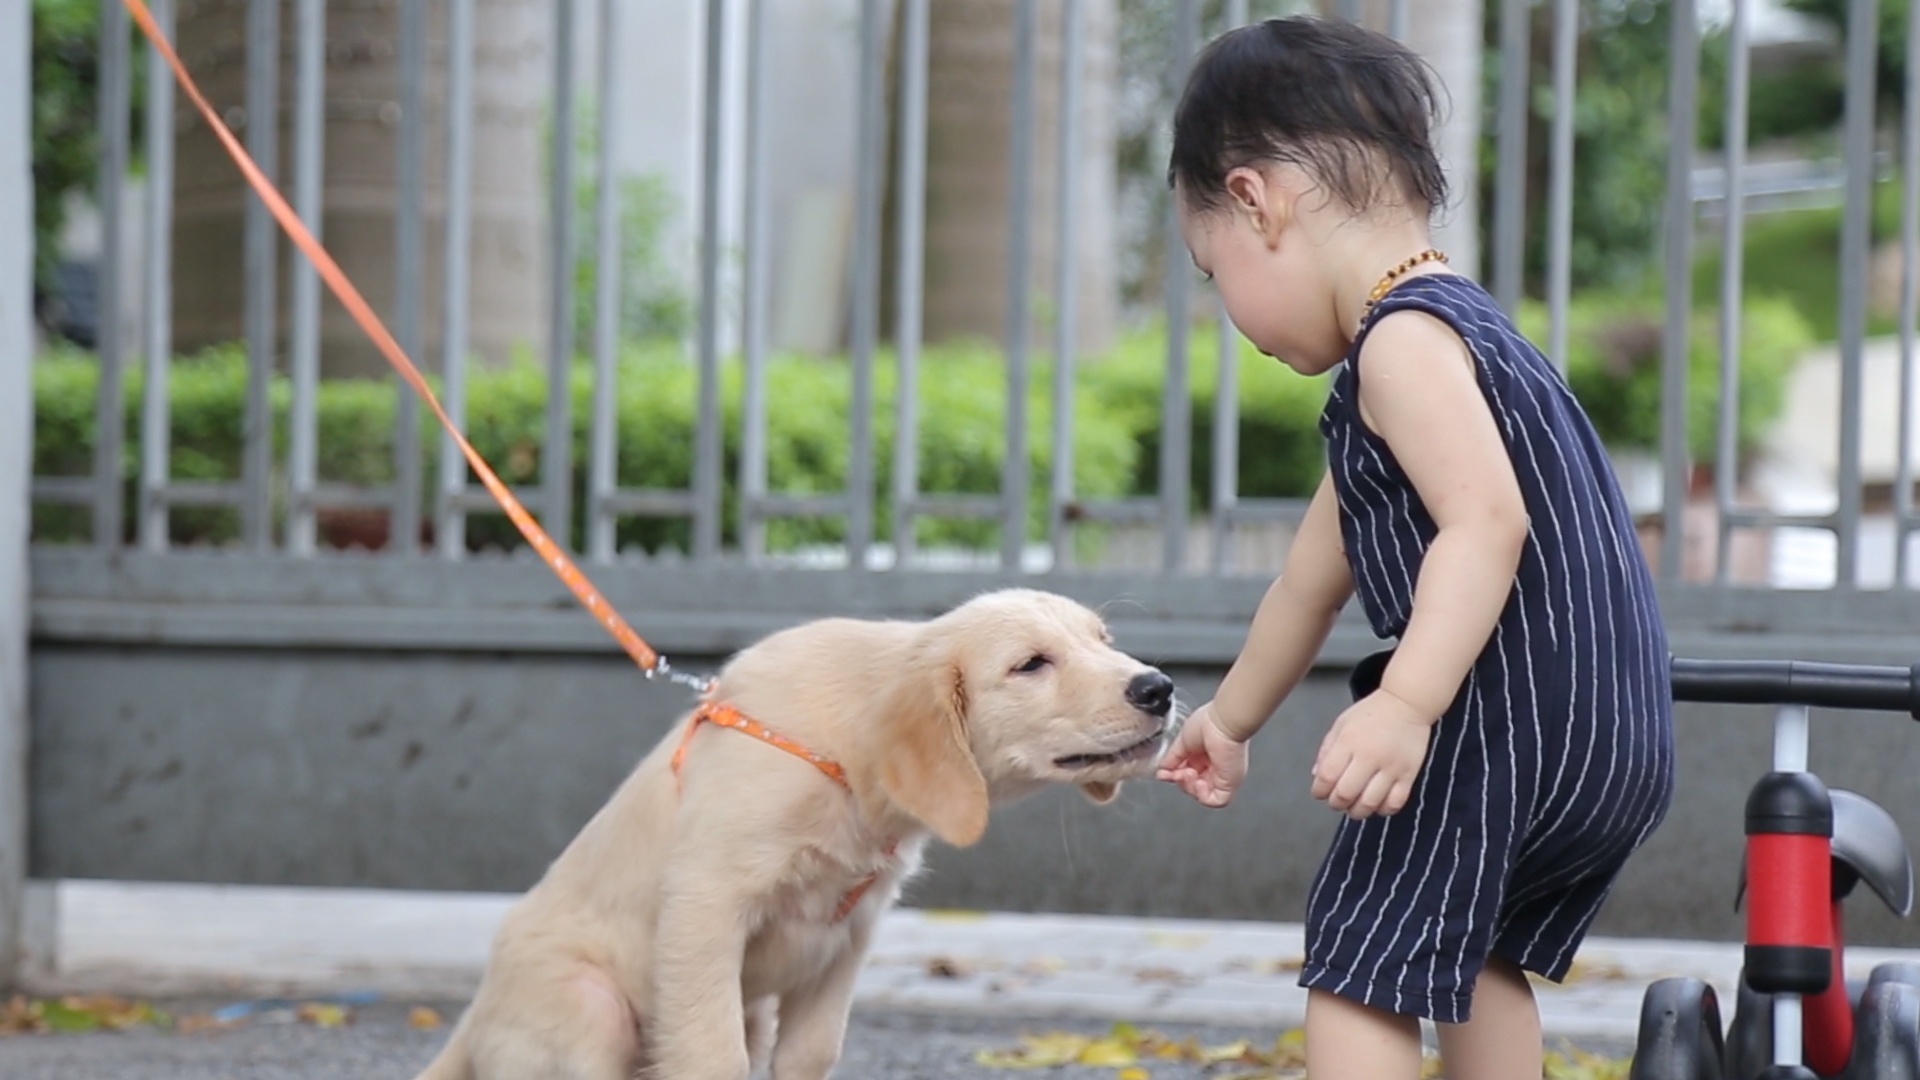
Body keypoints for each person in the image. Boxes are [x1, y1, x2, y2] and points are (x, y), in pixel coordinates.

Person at [1153, 16, 1676, 1080]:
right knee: (1469, 950)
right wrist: (1232, 719)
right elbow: (1311, 579)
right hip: (1609, 731)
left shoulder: (1400, 344)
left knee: (1358, 961)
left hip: (1500, 722)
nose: (1231, 315)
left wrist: (1403, 705)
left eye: (1213, 273)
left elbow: (1490, 523)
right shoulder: (1466, 339)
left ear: (1259, 203)